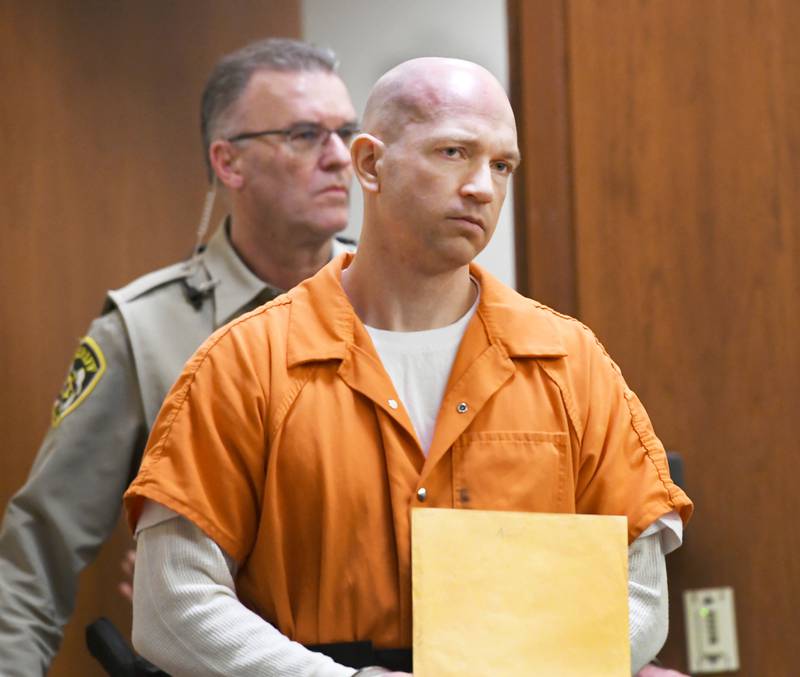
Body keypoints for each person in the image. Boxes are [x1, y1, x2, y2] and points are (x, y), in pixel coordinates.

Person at [124, 57, 693, 676]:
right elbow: (171, 603)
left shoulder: (570, 363)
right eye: (454, 152)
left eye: (502, 165)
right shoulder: (245, 364)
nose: (483, 186)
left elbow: (639, 596)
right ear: (370, 164)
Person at [0, 37, 358, 676]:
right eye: (306, 135)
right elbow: (37, 555)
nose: (339, 158)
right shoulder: (145, 327)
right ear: (229, 163)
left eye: (346, 132)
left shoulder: (402, 305)